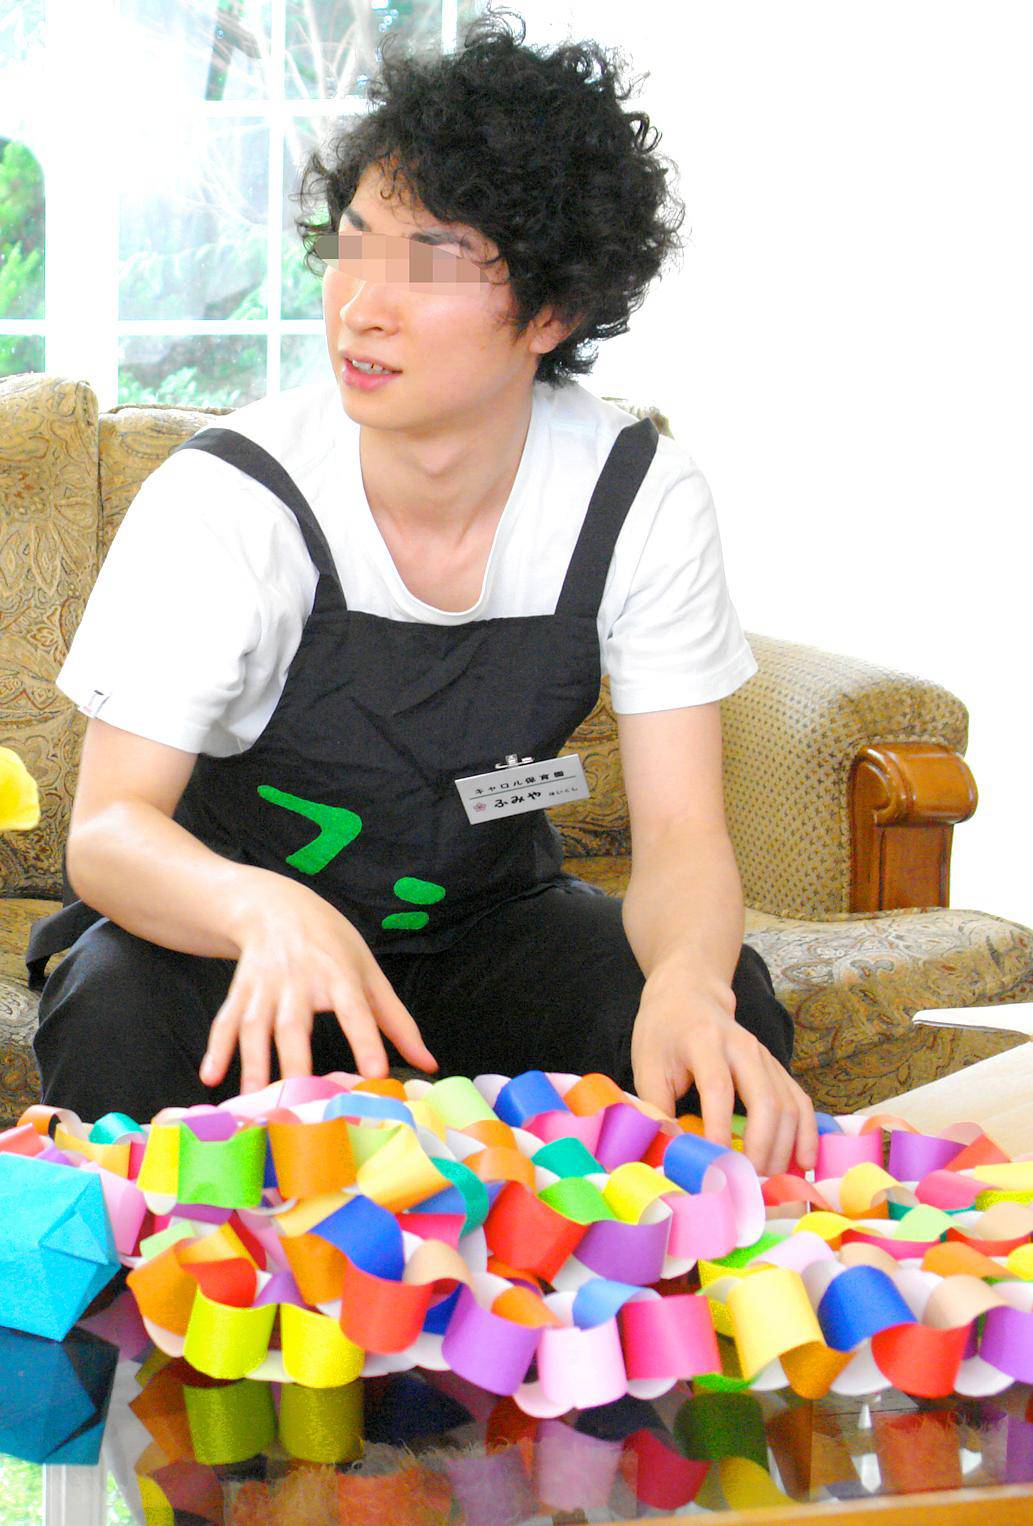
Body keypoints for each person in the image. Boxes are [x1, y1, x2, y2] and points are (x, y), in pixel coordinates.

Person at [28, 11, 818, 1176]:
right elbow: (108, 832)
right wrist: (263, 909)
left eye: (431, 264)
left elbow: (679, 833)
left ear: (550, 313)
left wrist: (690, 984)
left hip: (490, 928)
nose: (362, 304)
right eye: (353, 245)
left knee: (714, 1014)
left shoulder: (636, 493)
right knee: (116, 1009)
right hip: (234, 935)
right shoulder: (230, 498)